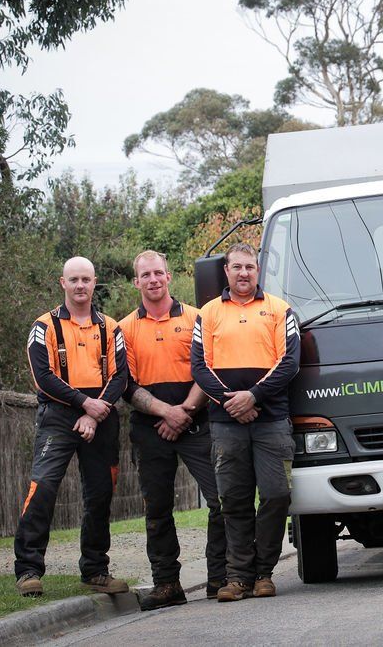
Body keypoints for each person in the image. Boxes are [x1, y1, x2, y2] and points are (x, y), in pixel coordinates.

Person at [191, 243, 300, 601]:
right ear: (226, 271)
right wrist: (233, 402)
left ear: (258, 270)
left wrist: (253, 396)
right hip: (225, 425)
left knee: (275, 495)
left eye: (249, 267)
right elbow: (199, 367)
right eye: (236, 267)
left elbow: (289, 364)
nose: (243, 273)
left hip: (272, 422)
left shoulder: (280, 310)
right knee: (233, 501)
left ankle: (264, 573)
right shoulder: (207, 314)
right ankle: (237, 577)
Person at [119, 250, 228, 610]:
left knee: (221, 500)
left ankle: (219, 578)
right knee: (157, 509)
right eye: (144, 275)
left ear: (169, 277)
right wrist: (167, 413)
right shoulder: (124, 329)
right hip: (150, 430)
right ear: (136, 282)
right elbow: (126, 385)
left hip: (199, 422)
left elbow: (208, 369)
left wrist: (185, 412)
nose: (152, 279)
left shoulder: (198, 319)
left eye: (158, 273)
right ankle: (167, 584)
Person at [15, 256, 130, 597]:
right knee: (44, 486)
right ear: (62, 283)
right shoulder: (44, 326)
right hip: (59, 416)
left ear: (95, 283)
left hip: (103, 414)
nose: (81, 285)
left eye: (86, 279)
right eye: (74, 280)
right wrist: (84, 405)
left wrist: (95, 413)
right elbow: (43, 377)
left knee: (100, 493)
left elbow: (120, 375)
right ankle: (28, 571)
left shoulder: (111, 327)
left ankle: (95, 570)